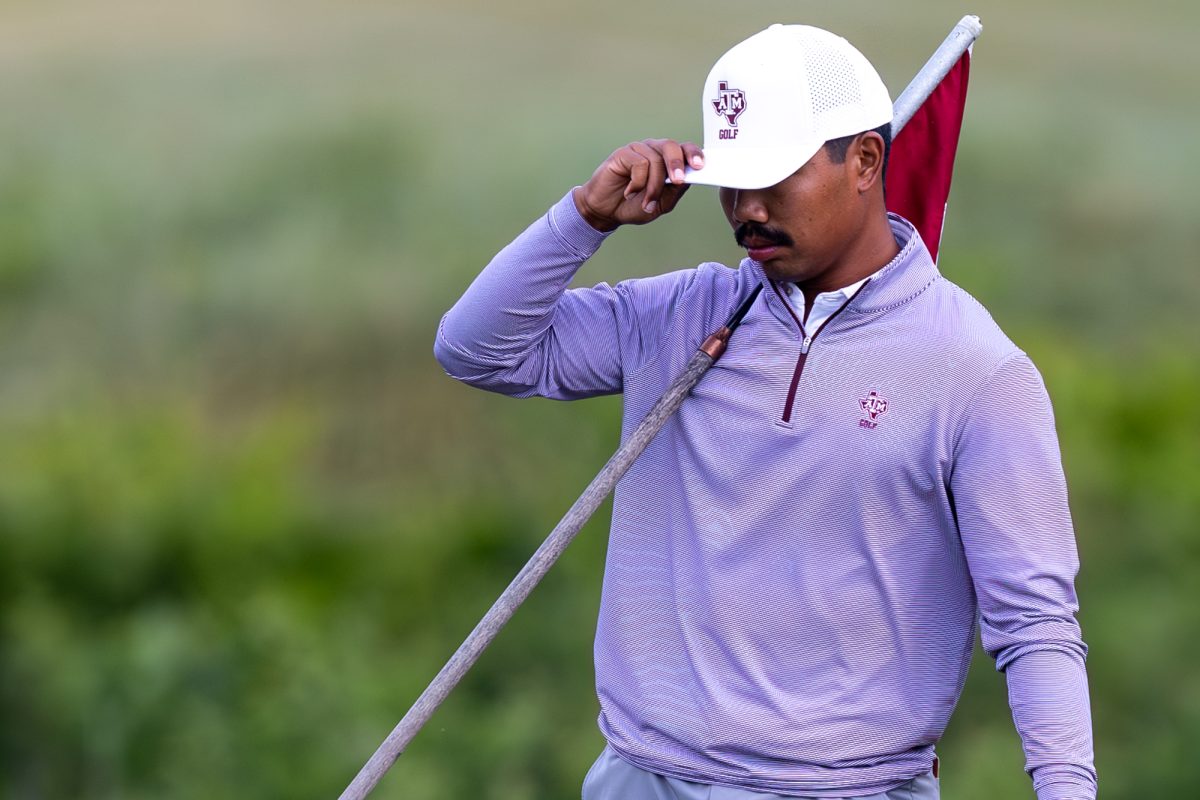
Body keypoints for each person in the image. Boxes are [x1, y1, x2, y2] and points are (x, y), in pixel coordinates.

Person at [434, 23, 1096, 800]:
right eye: (733, 183)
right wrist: (586, 218)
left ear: (866, 161)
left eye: (775, 179)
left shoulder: (977, 368)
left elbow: (1036, 624)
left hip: (848, 788)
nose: (748, 209)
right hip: (641, 776)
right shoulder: (684, 314)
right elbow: (477, 349)